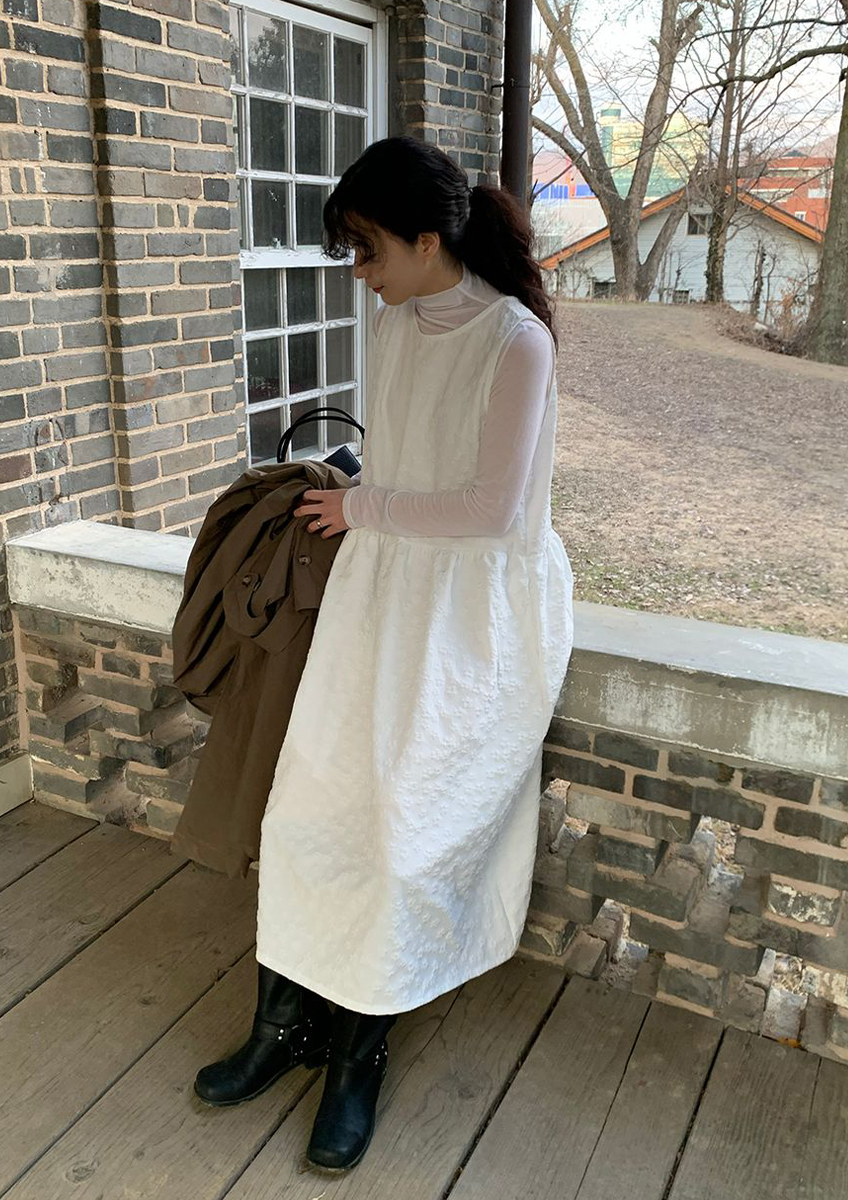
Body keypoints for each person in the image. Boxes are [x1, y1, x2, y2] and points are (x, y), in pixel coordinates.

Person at [192, 136, 576, 1174]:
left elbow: (491, 510)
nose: (358, 271)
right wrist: (357, 496)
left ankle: (358, 1053)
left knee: (405, 837)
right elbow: (404, 454)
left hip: (472, 621)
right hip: (381, 592)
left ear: (426, 239)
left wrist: (362, 507)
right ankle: (284, 1026)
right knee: (309, 811)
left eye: (366, 249)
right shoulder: (394, 317)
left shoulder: (516, 342)